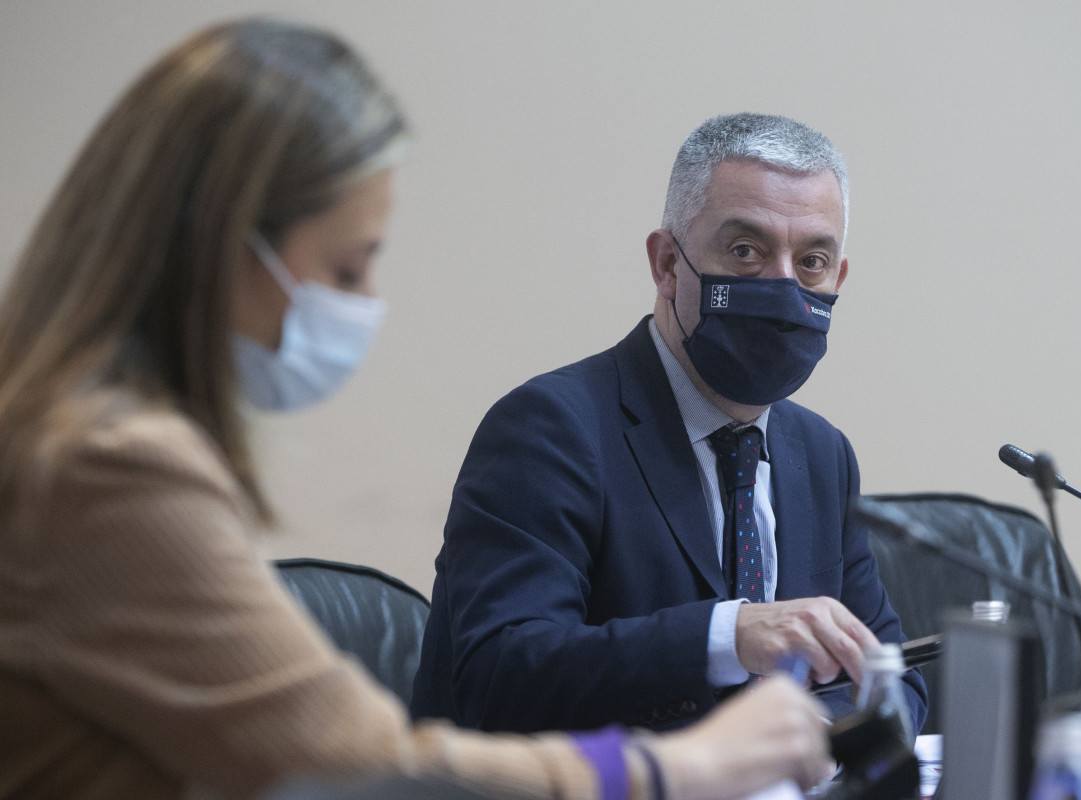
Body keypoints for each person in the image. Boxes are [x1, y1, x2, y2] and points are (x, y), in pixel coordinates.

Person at [0, 21, 834, 800]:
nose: (366, 303)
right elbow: (356, 764)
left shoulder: (78, 435)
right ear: (220, 245)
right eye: (347, 267)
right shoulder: (107, 463)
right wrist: (681, 766)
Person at [413, 114, 929, 736]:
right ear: (666, 265)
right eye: (746, 252)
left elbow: (892, 680)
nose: (785, 288)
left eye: (812, 261)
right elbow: (501, 677)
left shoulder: (820, 454)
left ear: (838, 279)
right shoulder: (550, 428)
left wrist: (813, 736)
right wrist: (727, 635)